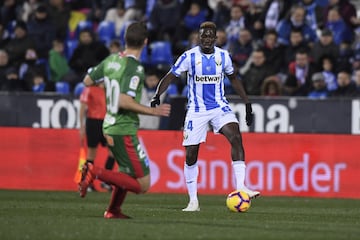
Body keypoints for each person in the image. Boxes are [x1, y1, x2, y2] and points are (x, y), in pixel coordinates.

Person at [150, 21, 260, 212]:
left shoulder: (223, 56)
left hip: (219, 107)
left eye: (210, 36)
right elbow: (170, 76)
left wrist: (247, 103)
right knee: (191, 154)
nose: (207, 39)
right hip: (196, 110)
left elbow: (234, 78)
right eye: (203, 36)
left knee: (235, 137)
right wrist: (157, 94)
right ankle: (193, 201)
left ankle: (241, 187)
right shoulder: (189, 57)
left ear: (216, 38)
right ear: (198, 38)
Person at [79, 21, 171, 219]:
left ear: (124, 40)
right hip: (123, 128)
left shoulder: (112, 60)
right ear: (145, 42)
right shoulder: (134, 68)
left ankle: (113, 210)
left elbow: (87, 81)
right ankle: (94, 171)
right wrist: (152, 112)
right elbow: (124, 101)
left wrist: (110, 81)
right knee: (143, 184)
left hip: (109, 124)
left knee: (126, 173)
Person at [79, 84, 116, 192]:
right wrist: (81, 126)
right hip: (93, 122)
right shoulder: (90, 89)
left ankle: (106, 181)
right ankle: (86, 182)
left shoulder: (109, 89)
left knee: (113, 151)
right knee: (91, 153)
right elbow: (82, 106)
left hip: (107, 122)